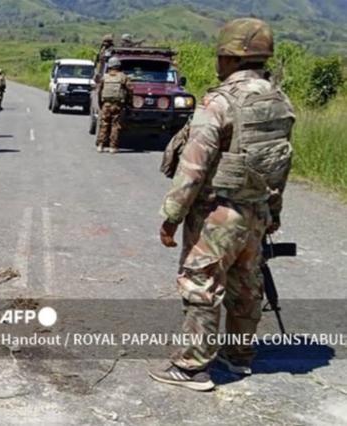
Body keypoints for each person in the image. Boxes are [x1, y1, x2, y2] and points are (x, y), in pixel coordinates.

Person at [149, 18, 295, 392]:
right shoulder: (279, 100)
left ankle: (192, 368)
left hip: (218, 214)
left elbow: (193, 168)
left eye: (220, 56)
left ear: (230, 58)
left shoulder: (220, 103)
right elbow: (278, 163)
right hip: (257, 211)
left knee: (201, 285)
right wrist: (273, 212)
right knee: (247, 284)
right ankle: (239, 356)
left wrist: (171, 216)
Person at [96, 56, 133, 154]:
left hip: (106, 104)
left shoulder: (105, 77)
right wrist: (129, 102)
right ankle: (113, 147)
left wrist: (100, 103)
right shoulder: (123, 77)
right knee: (115, 125)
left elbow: (99, 91)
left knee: (104, 124)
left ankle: (100, 145)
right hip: (117, 105)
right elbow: (130, 90)